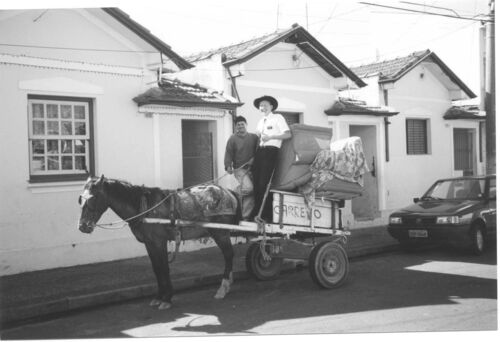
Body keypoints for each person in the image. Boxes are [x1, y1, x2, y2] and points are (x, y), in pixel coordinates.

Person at [250, 95, 291, 222]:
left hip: (271, 151)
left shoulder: (278, 117)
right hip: (260, 152)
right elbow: (257, 138)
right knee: (256, 184)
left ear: (271, 106)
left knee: (264, 184)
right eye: (260, 106)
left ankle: (267, 215)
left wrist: (271, 137)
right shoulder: (260, 121)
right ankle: (257, 213)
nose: (262, 107)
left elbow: (288, 134)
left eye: (265, 105)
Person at [224, 116, 259, 221]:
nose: (240, 126)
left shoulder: (254, 137)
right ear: (235, 127)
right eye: (238, 125)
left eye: (242, 124)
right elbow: (228, 153)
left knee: (251, 194)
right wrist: (228, 166)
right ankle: (230, 195)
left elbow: (260, 149)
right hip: (239, 169)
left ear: (246, 125)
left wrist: (254, 158)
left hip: (253, 169)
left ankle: (244, 217)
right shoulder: (232, 139)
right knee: (249, 188)